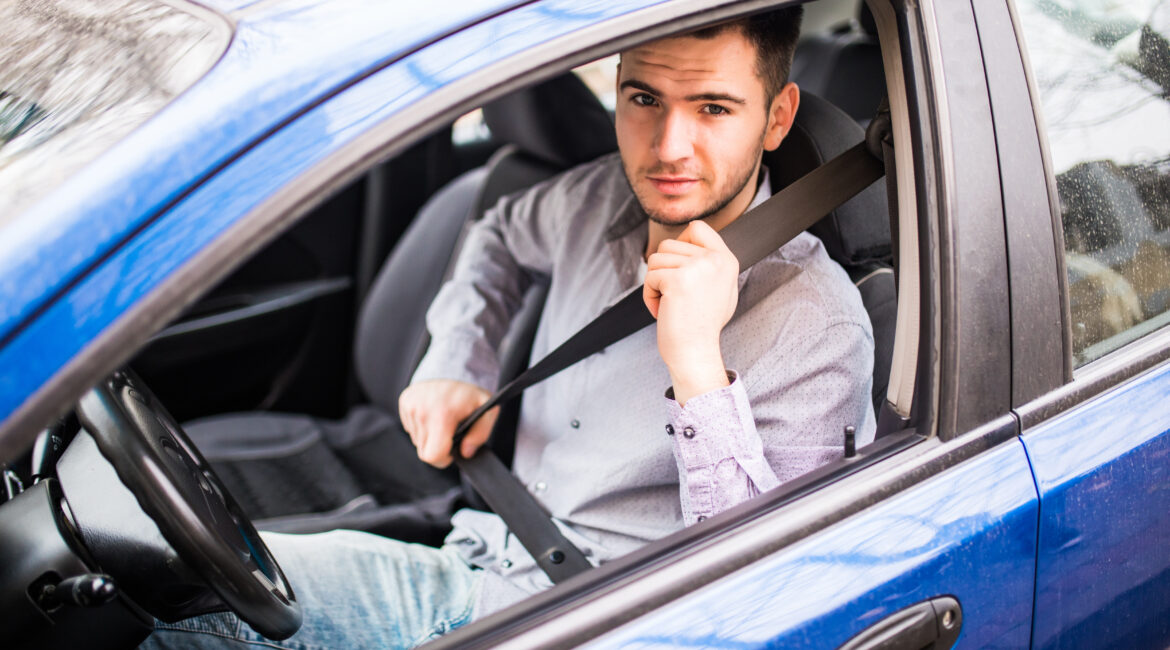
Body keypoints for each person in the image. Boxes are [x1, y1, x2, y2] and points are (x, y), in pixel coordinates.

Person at [145, 7, 875, 648]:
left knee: (190, 609)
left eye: (713, 108)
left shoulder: (816, 323)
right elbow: (496, 236)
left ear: (777, 117)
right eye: (644, 98)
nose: (669, 146)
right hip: (487, 538)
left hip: (590, 615)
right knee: (166, 588)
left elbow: (761, 600)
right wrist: (458, 358)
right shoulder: (595, 202)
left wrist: (696, 366)